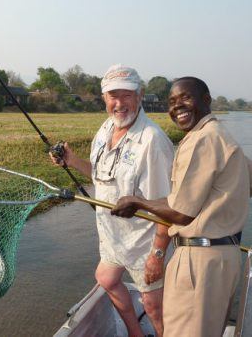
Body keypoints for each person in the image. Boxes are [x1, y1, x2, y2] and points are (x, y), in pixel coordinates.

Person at [111, 76, 252, 337]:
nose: (178, 106)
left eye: (186, 98)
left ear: (206, 101)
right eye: (172, 101)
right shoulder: (221, 136)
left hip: (199, 261)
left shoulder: (200, 139)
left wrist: (136, 201)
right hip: (225, 258)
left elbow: (181, 214)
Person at [51, 64, 174, 337]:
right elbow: (99, 176)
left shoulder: (152, 140)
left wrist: (157, 255)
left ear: (140, 96)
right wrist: (71, 161)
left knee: (154, 307)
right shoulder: (106, 129)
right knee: (106, 278)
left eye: (126, 95)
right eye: (112, 96)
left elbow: (168, 206)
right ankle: (135, 333)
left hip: (145, 243)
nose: (119, 104)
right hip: (113, 237)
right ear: (104, 98)